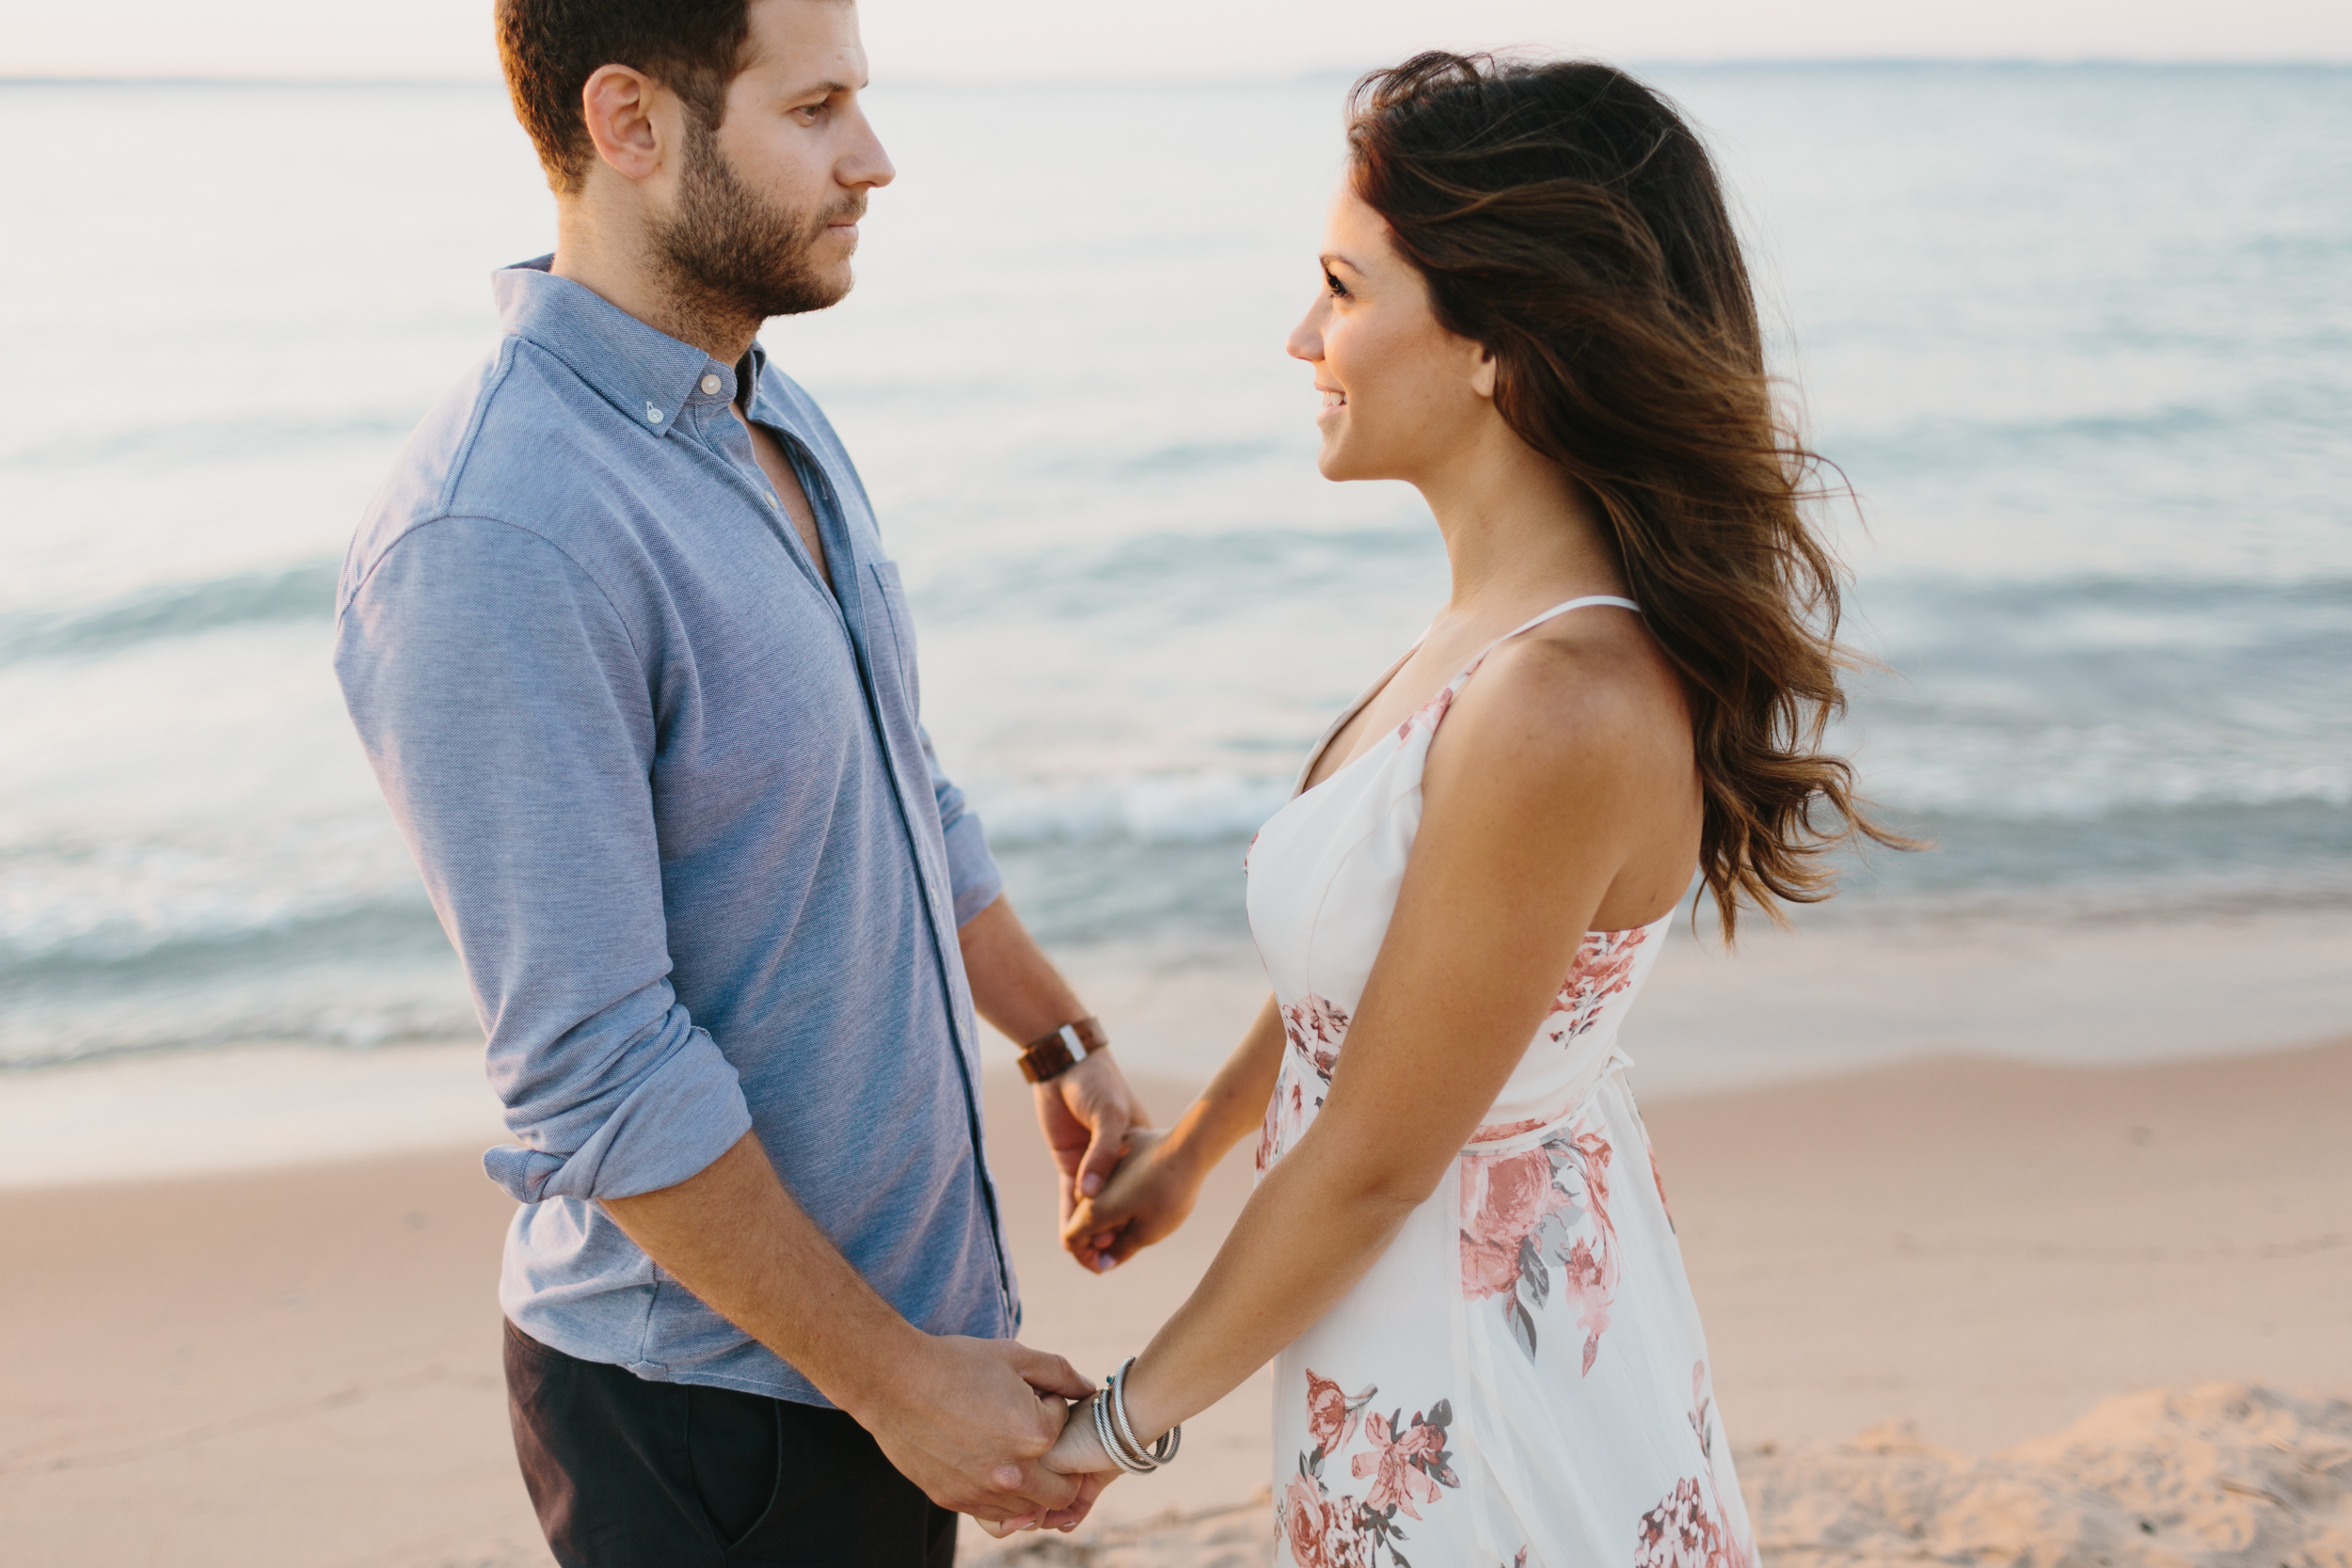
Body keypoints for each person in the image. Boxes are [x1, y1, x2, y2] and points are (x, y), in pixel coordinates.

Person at [1023, 53, 1905, 1562]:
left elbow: (1374, 1161)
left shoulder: (1558, 703)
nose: (1303, 335)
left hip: (1473, 1381)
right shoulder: (1498, 633)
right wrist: (1199, 1147)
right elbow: (1393, 964)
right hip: (1417, 1323)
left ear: (1499, 342)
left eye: (1344, 288)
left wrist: (1111, 1427)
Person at [332, 0, 1147, 1559]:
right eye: (817, 107)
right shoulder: (495, 535)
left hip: (869, 1369)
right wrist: (899, 1382)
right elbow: (594, 1067)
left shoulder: (759, 405)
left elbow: (895, 784)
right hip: (715, 1413)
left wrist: (1058, 1040)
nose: (876, 159)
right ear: (631, 123)